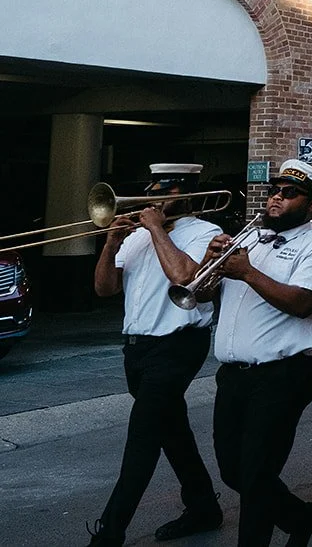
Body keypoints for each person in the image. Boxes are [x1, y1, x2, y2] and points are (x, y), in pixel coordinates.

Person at [205, 160, 312, 547]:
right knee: (233, 470)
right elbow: (199, 294)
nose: (277, 198)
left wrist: (247, 272)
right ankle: (300, 516)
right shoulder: (247, 241)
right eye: (274, 191)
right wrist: (209, 262)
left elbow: (302, 303)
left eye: (289, 193)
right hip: (233, 375)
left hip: (284, 375)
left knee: (255, 475)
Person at [87, 164, 225, 547]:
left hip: (178, 344)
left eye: (160, 189)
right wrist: (113, 242)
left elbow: (186, 278)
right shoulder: (134, 236)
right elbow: (104, 289)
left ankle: (110, 531)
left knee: (143, 437)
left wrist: (156, 229)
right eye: (149, 188)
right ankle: (202, 506)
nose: (150, 194)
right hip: (137, 349)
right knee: (171, 430)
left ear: (182, 192)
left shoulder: (206, 233)